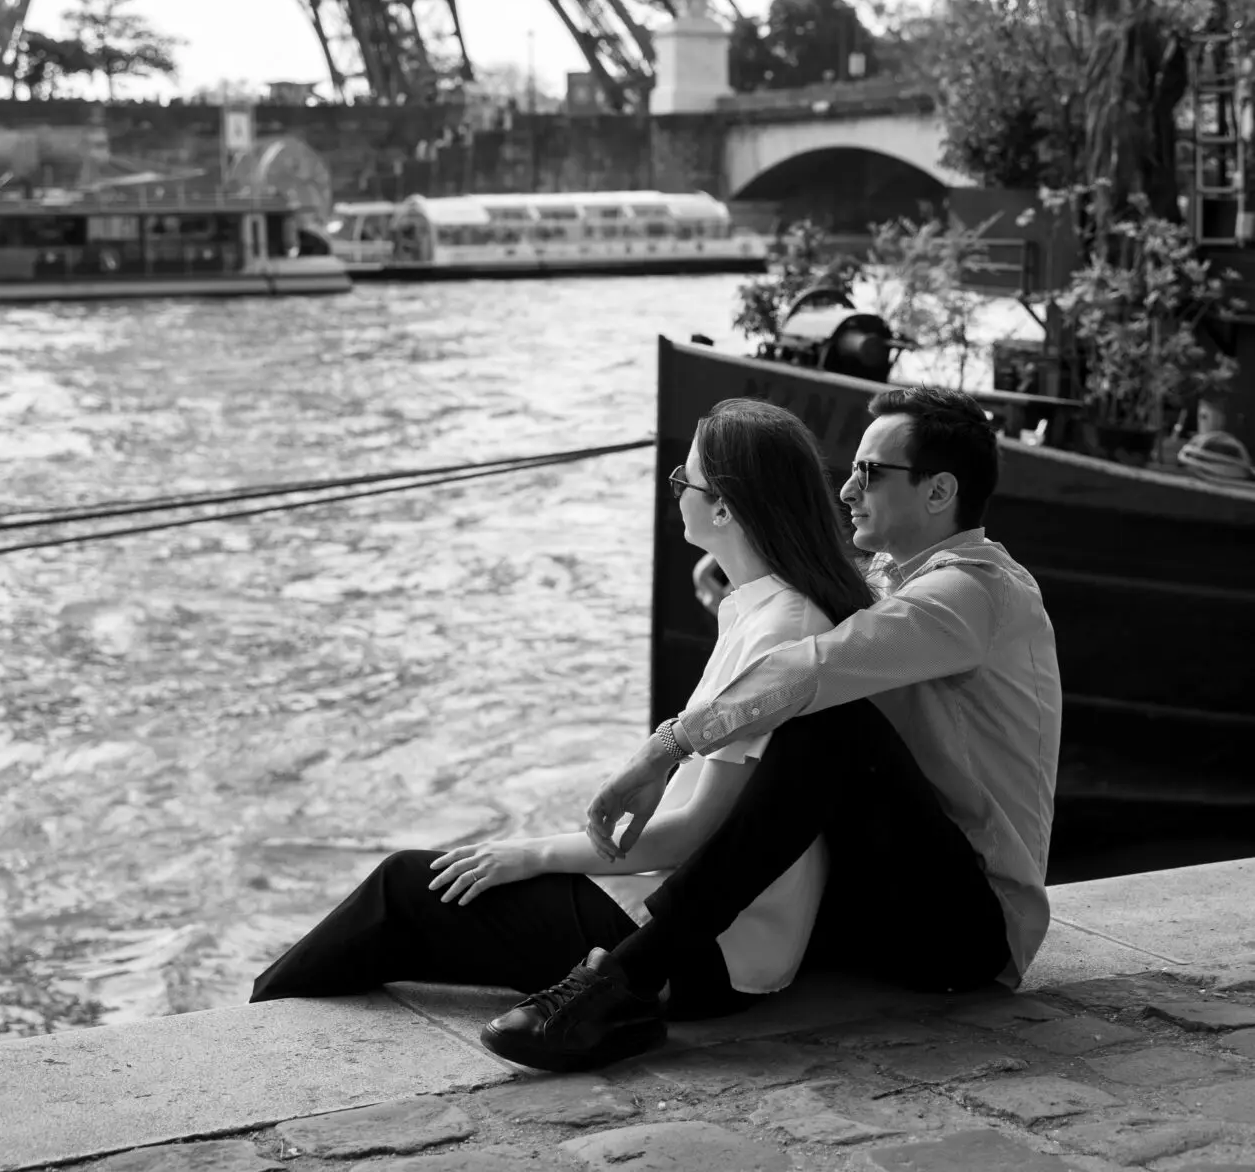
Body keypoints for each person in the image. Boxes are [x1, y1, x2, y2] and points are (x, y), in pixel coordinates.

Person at [249, 398, 874, 1047]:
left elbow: (690, 834)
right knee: (428, 899)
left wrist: (529, 854)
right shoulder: (766, 614)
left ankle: (253, 1029)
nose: (674, 492)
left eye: (680, 481)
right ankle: (265, 1017)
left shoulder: (779, 634)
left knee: (407, 888)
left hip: (698, 949)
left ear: (722, 508)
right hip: (697, 925)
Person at [481, 383, 1061, 1073]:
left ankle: (628, 979)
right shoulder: (894, 579)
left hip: (967, 932)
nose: (846, 489)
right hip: (879, 897)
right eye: (850, 469)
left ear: (938, 493)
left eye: (869, 474)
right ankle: (660, 962)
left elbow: (811, 665)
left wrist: (662, 749)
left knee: (827, 726)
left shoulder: (969, 593)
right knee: (810, 720)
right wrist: (738, 576)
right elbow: (828, 595)